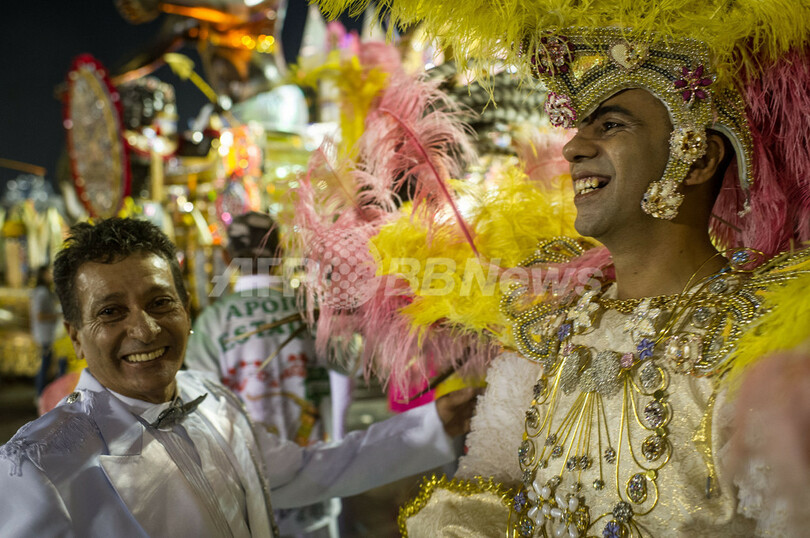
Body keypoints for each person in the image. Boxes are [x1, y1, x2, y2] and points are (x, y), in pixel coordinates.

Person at [313, 1, 810, 536]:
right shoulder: (547, 329)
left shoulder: (763, 340)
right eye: (579, 127)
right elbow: (484, 495)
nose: (572, 148)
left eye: (611, 124)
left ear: (698, 157)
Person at [0, 217, 477, 537]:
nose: (144, 329)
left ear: (187, 310)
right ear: (76, 336)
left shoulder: (212, 399)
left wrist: (434, 422)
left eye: (160, 302)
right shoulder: (38, 467)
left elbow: (305, 471)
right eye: (110, 312)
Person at [185, 211, 350, 538]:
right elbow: (347, 370)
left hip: (251, 487)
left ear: (227, 257)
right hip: (315, 475)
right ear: (281, 254)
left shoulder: (212, 323)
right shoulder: (312, 311)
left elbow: (205, 411)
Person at [30, 265, 64, 397]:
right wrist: (57, 316)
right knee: (44, 365)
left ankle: (42, 395)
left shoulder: (44, 292)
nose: (51, 276)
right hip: (45, 334)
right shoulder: (41, 292)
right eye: (48, 273)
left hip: (47, 334)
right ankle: (40, 395)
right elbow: (39, 316)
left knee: (47, 364)